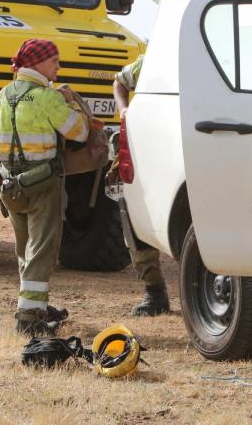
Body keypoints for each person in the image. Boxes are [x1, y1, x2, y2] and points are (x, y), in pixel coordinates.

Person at [0, 38, 90, 336]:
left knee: (25, 250)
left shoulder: (3, 95)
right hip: (42, 184)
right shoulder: (48, 97)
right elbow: (80, 132)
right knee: (41, 252)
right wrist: (72, 102)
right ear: (37, 64)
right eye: (54, 61)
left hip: (9, 185)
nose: (58, 66)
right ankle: (28, 319)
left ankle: (35, 306)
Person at [112, 53, 172, 316]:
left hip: (187, 148)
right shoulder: (154, 57)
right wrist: (123, 110)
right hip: (147, 149)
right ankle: (154, 292)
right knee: (137, 217)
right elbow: (119, 82)